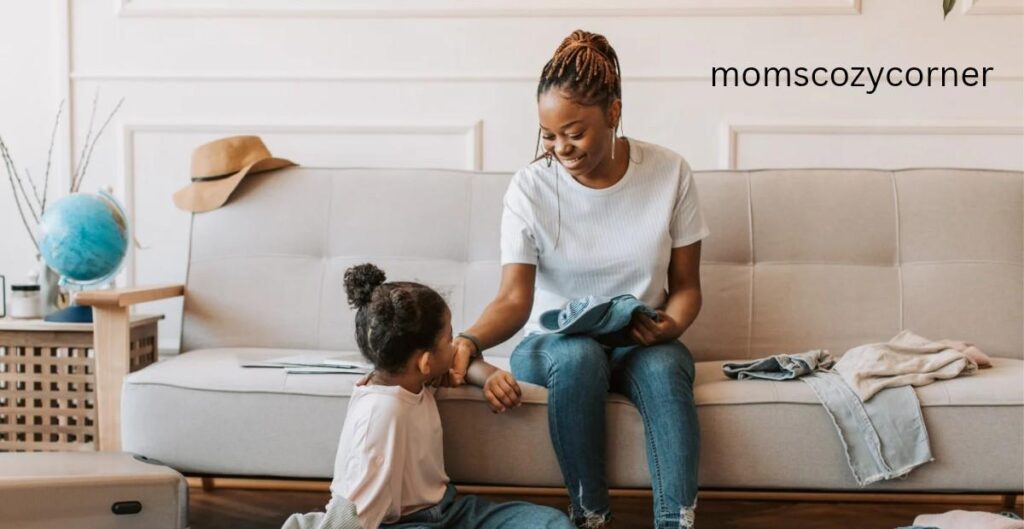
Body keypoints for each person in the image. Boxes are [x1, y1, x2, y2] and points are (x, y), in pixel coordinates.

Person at [447, 30, 710, 529]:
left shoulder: (670, 173)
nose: (561, 148)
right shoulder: (530, 188)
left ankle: (677, 522)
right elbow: (513, 298)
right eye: (549, 135)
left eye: (575, 132)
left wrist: (670, 326)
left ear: (613, 113)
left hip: (640, 339)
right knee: (579, 353)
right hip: (553, 343)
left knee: (665, 367)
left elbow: (687, 288)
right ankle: (590, 518)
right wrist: (470, 339)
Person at [328, 263, 575, 529]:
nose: (456, 345)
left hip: (447, 511)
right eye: (449, 339)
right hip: (400, 523)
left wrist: (489, 375)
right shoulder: (381, 414)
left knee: (551, 523)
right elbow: (353, 512)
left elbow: (460, 363)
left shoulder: (413, 378)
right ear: (425, 362)